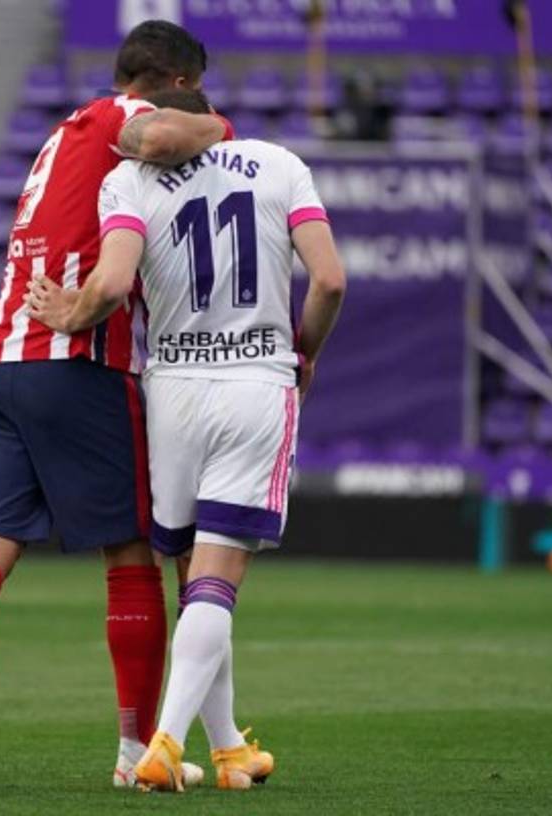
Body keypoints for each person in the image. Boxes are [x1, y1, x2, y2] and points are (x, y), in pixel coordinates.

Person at [0, 20, 235, 790]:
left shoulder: (61, 136)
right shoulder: (123, 119)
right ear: (177, 83)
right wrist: (218, 125)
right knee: (129, 558)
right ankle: (133, 753)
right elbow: (161, 141)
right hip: (79, 361)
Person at [29, 88, 346, 791]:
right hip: (256, 381)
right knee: (216, 582)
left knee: (197, 581)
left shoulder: (126, 180)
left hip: (170, 389)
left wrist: (69, 311)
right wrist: (307, 351)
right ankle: (166, 744)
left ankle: (229, 750)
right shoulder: (278, 164)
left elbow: (112, 283)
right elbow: (328, 279)